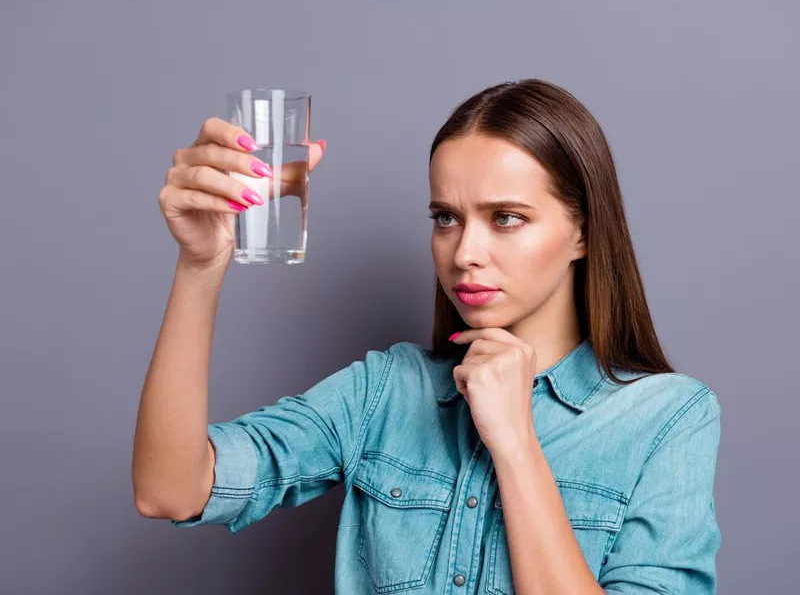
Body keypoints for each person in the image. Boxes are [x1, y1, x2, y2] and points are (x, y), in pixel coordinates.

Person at [132, 78, 722, 594]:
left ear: (582, 233)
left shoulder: (667, 417)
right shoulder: (387, 389)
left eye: (506, 218)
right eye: (446, 218)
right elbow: (172, 490)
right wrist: (200, 265)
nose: (465, 253)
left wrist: (515, 443)